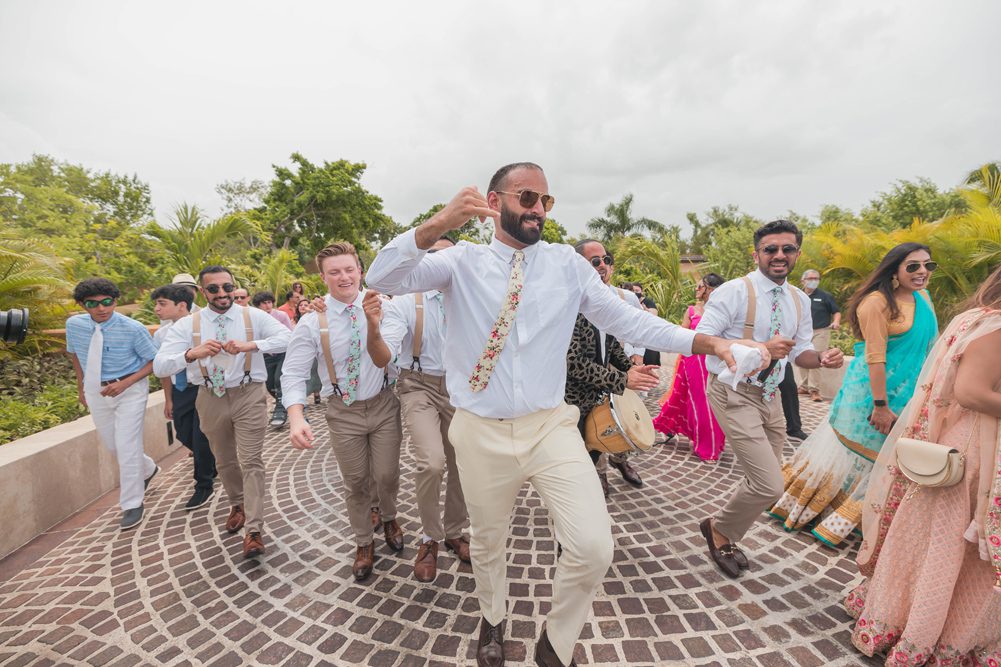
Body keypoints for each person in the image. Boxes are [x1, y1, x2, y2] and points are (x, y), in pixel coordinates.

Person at [365, 162, 764, 667]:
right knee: (488, 543)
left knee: (594, 547)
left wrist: (709, 342)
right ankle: (493, 619)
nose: (537, 209)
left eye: (545, 202)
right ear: (494, 201)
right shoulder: (460, 263)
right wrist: (439, 223)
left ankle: (556, 644)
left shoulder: (565, 265)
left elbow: (628, 319)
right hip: (480, 429)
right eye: (527, 197)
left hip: (550, 425)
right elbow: (382, 276)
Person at [845, 265, 1001, 666]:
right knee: (953, 547)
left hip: (965, 445)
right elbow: (970, 391)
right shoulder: (997, 325)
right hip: (977, 451)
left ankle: (902, 621)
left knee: (934, 542)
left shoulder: (976, 317)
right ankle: (934, 636)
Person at [696, 220, 844, 579]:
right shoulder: (732, 292)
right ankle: (719, 531)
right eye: (771, 249)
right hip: (733, 392)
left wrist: (821, 359)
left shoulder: (799, 300)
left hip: (771, 394)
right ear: (757, 253)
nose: (779, 255)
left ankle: (723, 529)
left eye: (787, 249)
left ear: (796, 254)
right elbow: (701, 340)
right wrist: (761, 348)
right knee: (769, 484)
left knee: (763, 479)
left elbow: (802, 351)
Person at [771, 243, 937, 546]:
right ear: (895, 270)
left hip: (910, 394)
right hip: (871, 395)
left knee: (885, 460)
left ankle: (863, 519)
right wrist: (881, 406)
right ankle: (820, 514)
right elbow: (876, 358)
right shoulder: (876, 303)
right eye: (913, 266)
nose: (923, 272)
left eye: (928, 265)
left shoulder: (923, 298)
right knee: (851, 452)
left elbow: (930, 347)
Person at [284, 243, 405, 582]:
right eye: (334, 272)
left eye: (349, 269)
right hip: (342, 410)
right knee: (355, 481)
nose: (344, 277)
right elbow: (293, 373)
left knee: (387, 474)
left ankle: (390, 515)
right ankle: (363, 542)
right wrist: (296, 416)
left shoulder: (387, 308)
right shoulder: (311, 323)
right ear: (323, 278)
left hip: (382, 402)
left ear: (360, 271)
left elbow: (388, 358)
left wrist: (373, 323)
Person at [154, 265, 291, 559]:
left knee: (251, 459)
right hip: (209, 395)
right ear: (203, 292)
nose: (222, 294)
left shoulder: (252, 316)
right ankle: (237, 503)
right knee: (225, 459)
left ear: (233, 287)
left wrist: (250, 345)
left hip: (248, 392)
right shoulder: (187, 326)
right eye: (213, 289)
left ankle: (254, 529)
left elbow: (287, 338)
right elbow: (160, 365)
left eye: (227, 287)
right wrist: (192, 353)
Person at [380, 235, 472, 583]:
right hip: (418, 385)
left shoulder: (471, 299)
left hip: (462, 390)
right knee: (431, 462)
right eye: (432, 256)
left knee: (463, 463)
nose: (440, 263)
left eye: (449, 257)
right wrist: (380, 344)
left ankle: (454, 532)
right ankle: (430, 539)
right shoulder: (404, 302)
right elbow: (388, 343)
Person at [66, 278, 159, 530]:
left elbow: (154, 362)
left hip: (129, 389)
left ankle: (132, 503)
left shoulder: (133, 328)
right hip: (96, 389)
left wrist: (125, 384)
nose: (101, 308)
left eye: (107, 302)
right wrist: (82, 387)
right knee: (112, 444)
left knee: (127, 445)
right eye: (93, 304)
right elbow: (75, 354)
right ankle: (148, 468)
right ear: (82, 305)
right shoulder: (73, 325)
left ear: (115, 300)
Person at [570, 240, 659, 496]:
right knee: (577, 462)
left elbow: (609, 343)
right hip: (571, 402)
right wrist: (622, 378)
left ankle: (610, 469)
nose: (603, 266)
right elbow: (572, 362)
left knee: (600, 439)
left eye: (606, 260)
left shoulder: (601, 303)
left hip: (597, 393)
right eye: (594, 261)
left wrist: (629, 365)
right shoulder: (569, 304)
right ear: (577, 266)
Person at [152, 284, 217, 511]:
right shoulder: (161, 334)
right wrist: (168, 399)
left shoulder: (202, 326)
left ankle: (203, 484)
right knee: (183, 433)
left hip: (203, 388)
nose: (157, 309)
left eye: (162, 304)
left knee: (200, 438)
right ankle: (212, 463)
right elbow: (163, 370)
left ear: (181, 305)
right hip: (180, 391)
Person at [653, 273, 727, 461]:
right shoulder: (692, 310)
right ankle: (706, 445)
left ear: (711, 289)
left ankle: (715, 441)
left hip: (716, 360)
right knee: (699, 401)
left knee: (716, 401)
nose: (696, 290)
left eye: (700, 286)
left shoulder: (724, 310)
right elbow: (682, 334)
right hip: (694, 360)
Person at [798, 269, 841, 402]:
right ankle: (804, 386)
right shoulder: (798, 295)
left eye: (816, 278)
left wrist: (836, 322)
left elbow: (836, 311)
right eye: (811, 278)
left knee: (817, 359)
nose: (814, 281)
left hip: (820, 331)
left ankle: (814, 390)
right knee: (801, 358)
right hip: (802, 332)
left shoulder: (824, 296)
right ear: (803, 281)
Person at [252, 291, 293, 427]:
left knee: (278, 379)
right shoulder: (254, 317)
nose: (268, 305)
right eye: (264, 303)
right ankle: (288, 404)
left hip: (283, 352)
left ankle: (280, 411)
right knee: (270, 384)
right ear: (258, 305)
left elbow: (289, 335)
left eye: (270, 302)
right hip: (266, 354)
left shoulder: (281, 315)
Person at [294, 298, 323, 406]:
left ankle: (316, 392)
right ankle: (302, 396)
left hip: (314, 351)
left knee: (315, 372)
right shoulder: (294, 320)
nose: (303, 306)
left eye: (305, 304)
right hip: (299, 352)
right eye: (300, 305)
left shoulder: (315, 318)